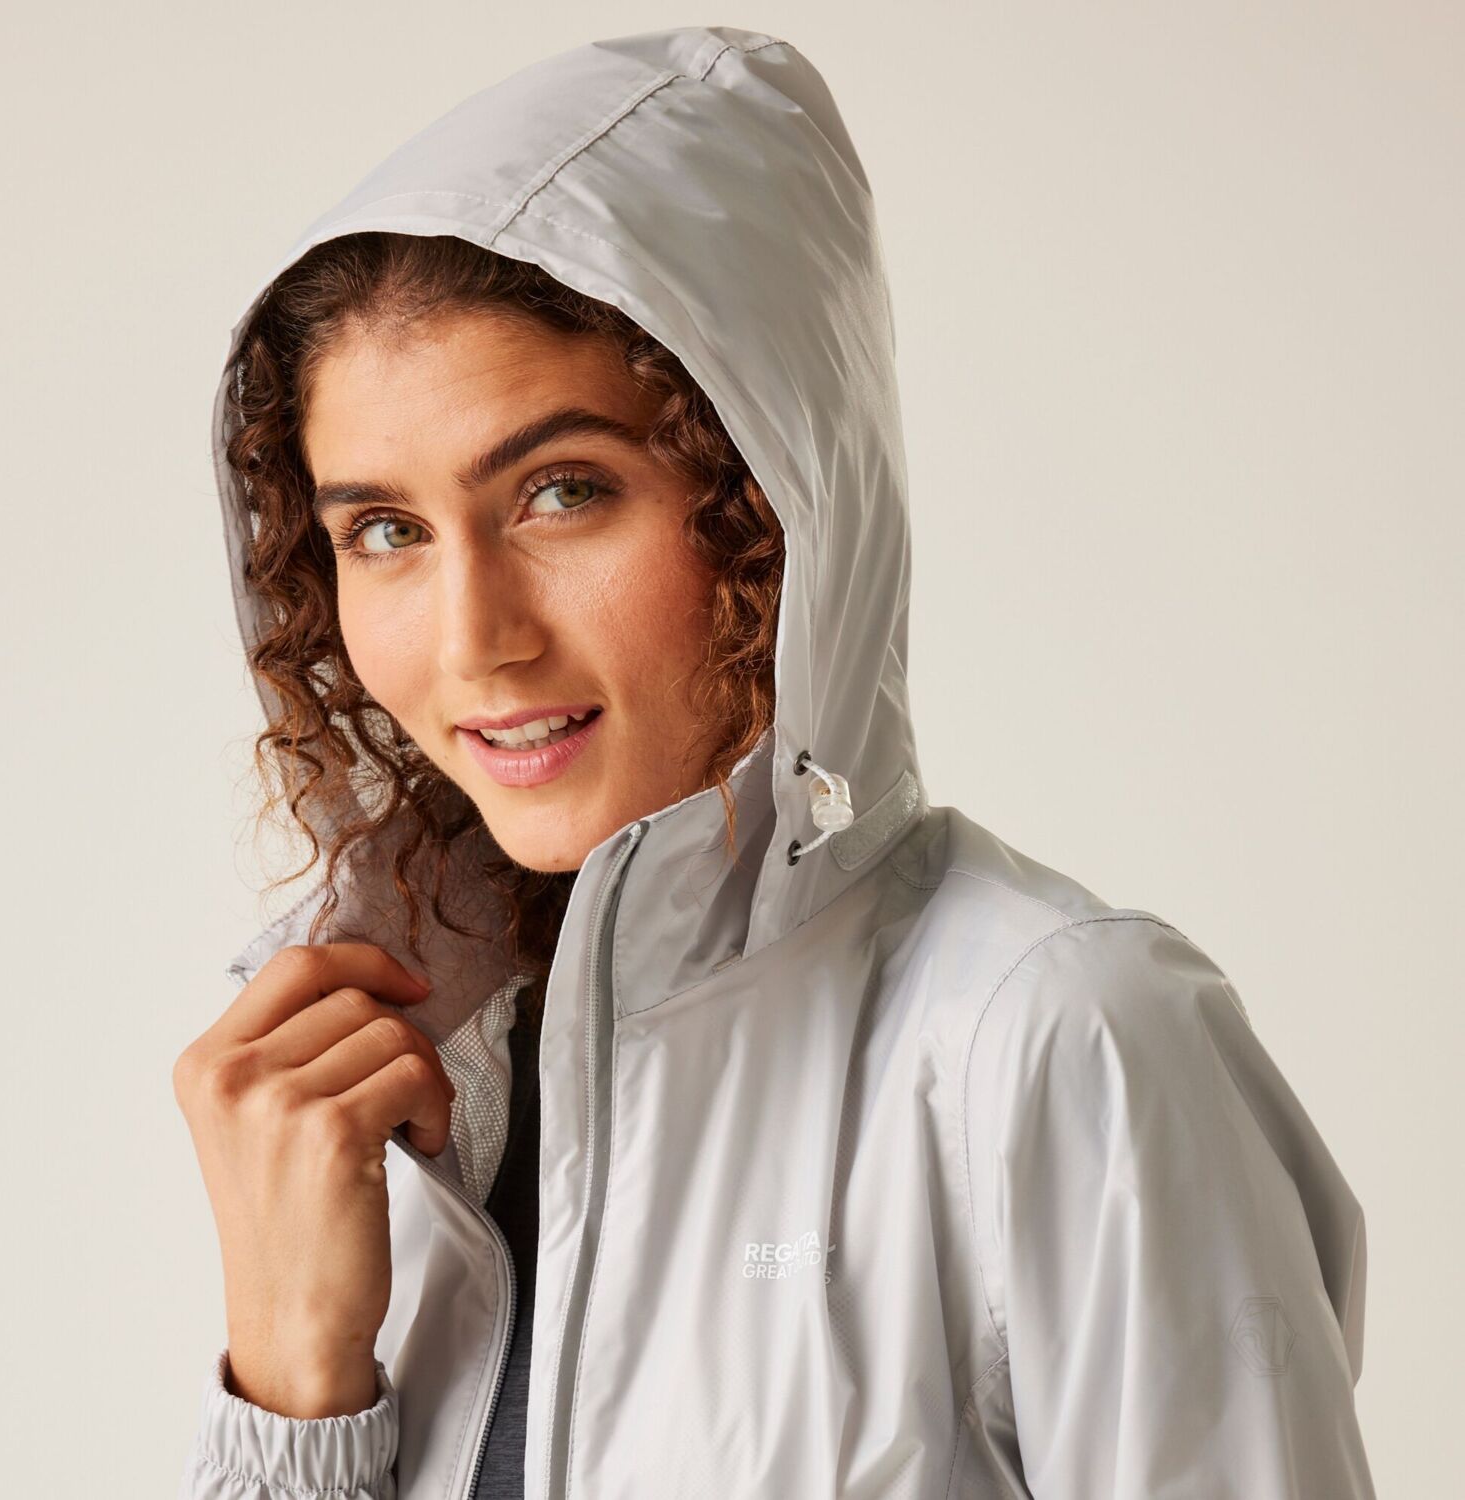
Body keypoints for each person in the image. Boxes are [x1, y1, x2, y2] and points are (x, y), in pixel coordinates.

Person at [172, 24, 1377, 1500]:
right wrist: (293, 1382)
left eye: (562, 491)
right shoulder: (401, 1093)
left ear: (768, 496)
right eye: (384, 530)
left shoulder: (1054, 1038)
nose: (474, 638)